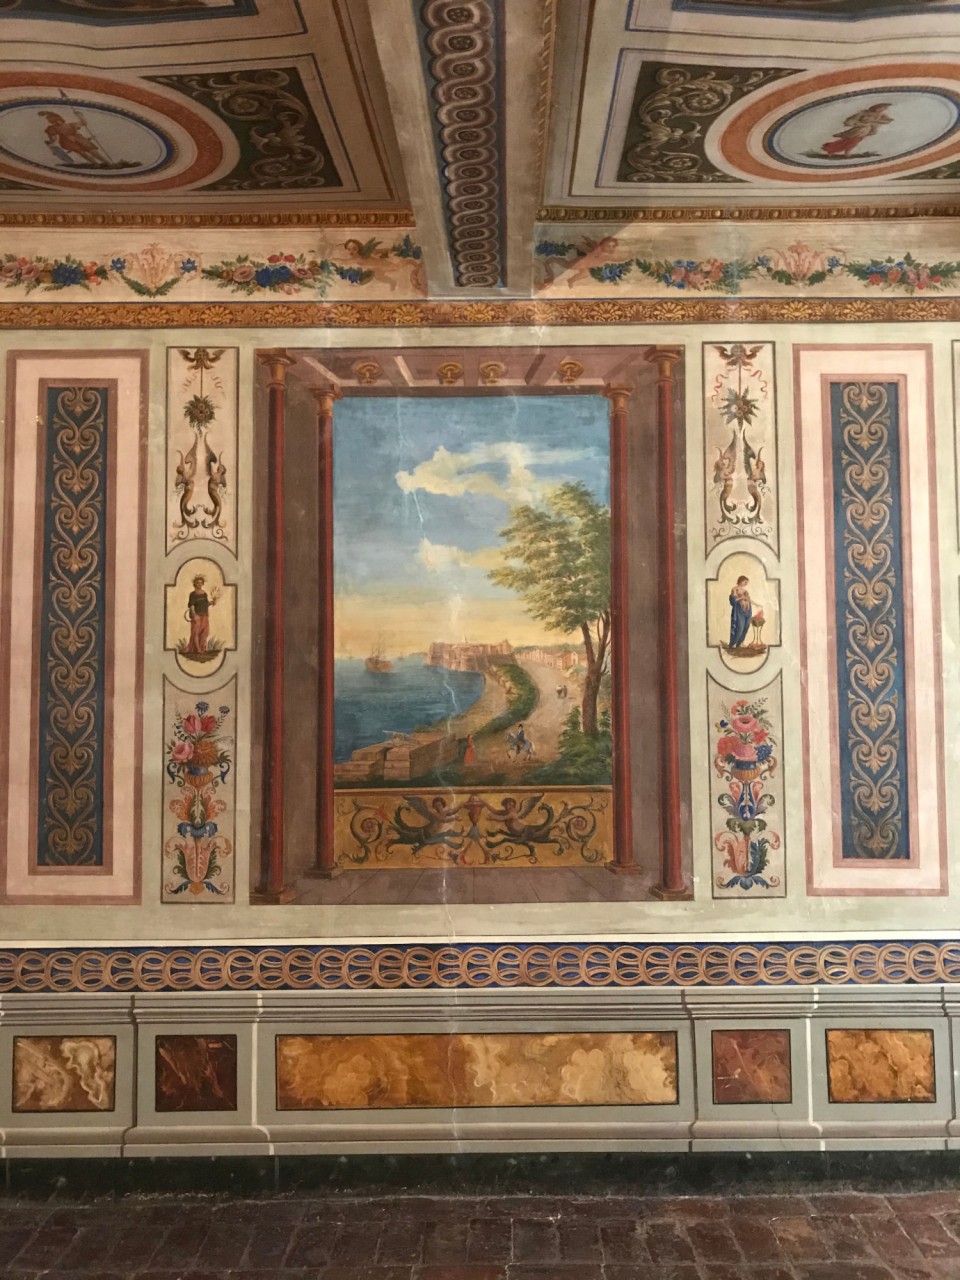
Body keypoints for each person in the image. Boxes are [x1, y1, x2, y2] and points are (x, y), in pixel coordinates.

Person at [820, 103, 892, 158]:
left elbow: (888, 121)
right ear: (876, 107)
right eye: (882, 108)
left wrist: (875, 122)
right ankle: (832, 149)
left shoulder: (880, 115)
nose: (882, 109)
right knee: (849, 142)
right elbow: (849, 121)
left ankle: (833, 150)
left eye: (884, 108)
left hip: (865, 132)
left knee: (850, 142)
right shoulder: (863, 113)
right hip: (857, 131)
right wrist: (860, 124)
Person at [184, 574, 219, 654]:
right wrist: (194, 615)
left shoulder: (204, 594)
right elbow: (191, 605)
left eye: (201, 583)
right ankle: (197, 649)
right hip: (197, 616)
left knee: (205, 632)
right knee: (196, 632)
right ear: (195, 584)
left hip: (205, 615)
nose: (199, 584)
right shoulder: (192, 594)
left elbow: (205, 604)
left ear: (203, 583)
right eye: (198, 582)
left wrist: (212, 603)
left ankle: (202, 648)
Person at [728, 575, 753, 650]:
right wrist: (741, 598)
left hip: (748, 611)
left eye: (747, 582)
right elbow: (733, 601)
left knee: (746, 627)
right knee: (740, 627)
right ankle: (733, 643)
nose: (746, 583)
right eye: (745, 582)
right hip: (739, 611)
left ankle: (740, 643)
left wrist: (748, 599)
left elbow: (748, 600)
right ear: (741, 581)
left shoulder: (746, 591)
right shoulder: (735, 589)